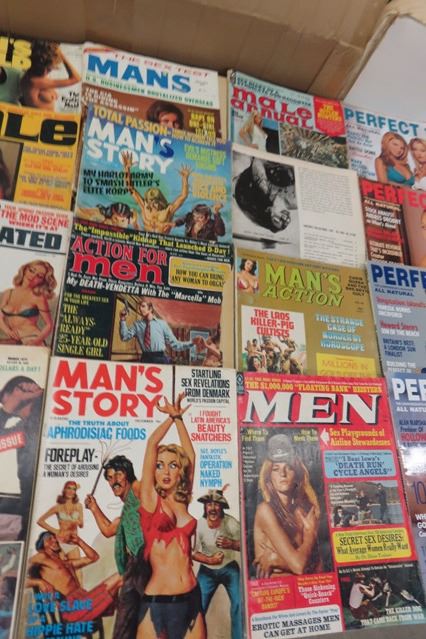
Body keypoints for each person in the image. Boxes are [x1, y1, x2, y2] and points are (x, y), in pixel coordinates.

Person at [137, 393, 206, 639]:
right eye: (160, 465)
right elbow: (151, 444)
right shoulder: (150, 501)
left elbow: (191, 455)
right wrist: (170, 418)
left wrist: (179, 419)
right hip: (158, 603)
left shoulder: (182, 500)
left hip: (191, 597)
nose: (165, 471)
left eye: (173, 465)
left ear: (180, 472)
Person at [85, 455, 148, 639]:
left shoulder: (137, 490)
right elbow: (108, 530)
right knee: (124, 623)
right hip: (132, 568)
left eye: (118, 475)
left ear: (128, 474)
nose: (114, 481)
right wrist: (94, 507)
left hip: (146, 562)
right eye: (110, 478)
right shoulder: (126, 512)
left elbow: (147, 487)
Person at [253, 434, 321, 578]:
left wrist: (276, 560)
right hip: (274, 589)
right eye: (276, 469)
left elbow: (318, 568)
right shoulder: (265, 510)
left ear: (296, 473)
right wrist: (310, 535)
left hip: (302, 588)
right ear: (269, 476)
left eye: (288, 467)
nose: (282, 474)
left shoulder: (302, 512)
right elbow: (298, 566)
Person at [27, 531, 121, 624]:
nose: (54, 540)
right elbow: (21, 574)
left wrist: (79, 541)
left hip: (84, 600)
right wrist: (39, 582)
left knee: (121, 580)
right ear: (42, 545)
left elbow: (93, 557)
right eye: (49, 539)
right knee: (120, 576)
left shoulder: (67, 563)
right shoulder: (42, 556)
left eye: (55, 538)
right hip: (72, 610)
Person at [193, 489, 242, 639]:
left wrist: (232, 544)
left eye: (216, 504)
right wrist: (209, 560)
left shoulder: (231, 522)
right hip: (207, 571)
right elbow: (192, 552)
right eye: (209, 504)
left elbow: (248, 544)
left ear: (222, 507)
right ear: (205, 507)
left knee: (239, 604)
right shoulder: (199, 525)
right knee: (196, 607)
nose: (213, 508)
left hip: (229, 568)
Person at [0, 376, 43, 540]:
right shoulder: (23, 428)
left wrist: (13, 403)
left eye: (13, 398)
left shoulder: (43, 416)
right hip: (29, 511)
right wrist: (9, 407)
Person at [122, 151, 191, 234]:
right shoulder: (144, 206)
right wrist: (127, 169)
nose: (153, 205)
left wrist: (185, 178)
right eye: (150, 202)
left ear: (160, 201)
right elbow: (130, 188)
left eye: (155, 202)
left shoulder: (168, 210)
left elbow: (183, 196)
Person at [119, 297, 195, 364]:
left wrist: (192, 343)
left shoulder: (162, 324)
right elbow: (124, 337)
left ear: (150, 309)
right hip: (145, 359)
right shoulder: (137, 325)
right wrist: (122, 319)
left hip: (160, 359)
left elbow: (175, 345)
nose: (140, 309)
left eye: (143, 306)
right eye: (139, 306)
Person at [0, 260, 56, 345]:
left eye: (39, 276)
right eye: (31, 270)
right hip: (14, 339)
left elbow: (49, 325)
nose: (33, 276)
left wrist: (36, 341)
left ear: (43, 281)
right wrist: (8, 331)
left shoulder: (38, 297)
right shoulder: (8, 293)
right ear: (25, 269)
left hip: (32, 338)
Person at [234, 157, 297, 233]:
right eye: (286, 221)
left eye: (276, 220)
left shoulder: (265, 188)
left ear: (268, 210)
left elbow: (257, 161)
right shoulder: (295, 202)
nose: (283, 218)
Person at [20, 42, 80, 111]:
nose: (45, 72)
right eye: (41, 68)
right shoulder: (35, 81)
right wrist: (61, 55)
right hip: (41, 116)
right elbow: (76, 78)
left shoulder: (32, 76)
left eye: (49, 69)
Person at [37, 481, 83, 563]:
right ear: (64, 490)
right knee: (59, 569)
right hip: (60, 543)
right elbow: (40, 521)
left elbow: (81, 525)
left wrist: (76, 522)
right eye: (69, 488)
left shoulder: (79, 506)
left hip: (72, 542)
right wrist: (55, 531)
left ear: (75, 492)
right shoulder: (57, 507)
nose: (71, 491)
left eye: (74, 489)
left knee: (77, 568)